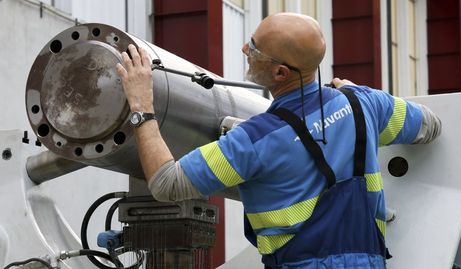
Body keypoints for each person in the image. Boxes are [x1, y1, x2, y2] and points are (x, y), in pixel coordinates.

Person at [116, 12, 441, 269]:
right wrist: (357, 97)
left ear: (281, 73)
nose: (245, 49)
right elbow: (431, 125)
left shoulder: (254, 140)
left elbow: (166, 184)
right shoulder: (364, 104)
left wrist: (142, 106)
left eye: (254, 48)